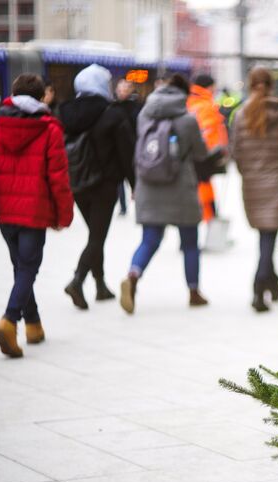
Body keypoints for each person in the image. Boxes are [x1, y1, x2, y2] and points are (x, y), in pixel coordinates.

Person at [0, 73, 74, 358]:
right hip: (34, 210)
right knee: (28, 268)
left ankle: (33, 325)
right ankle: (9, 321)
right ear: (40, 97)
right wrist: (64, 215)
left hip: (3, 209)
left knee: (20, 267)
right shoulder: (49, 128)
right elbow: (58, 177)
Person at [119, 73, 209, 314]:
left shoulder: (145, 114)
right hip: (181, 188)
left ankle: (133, 274)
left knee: (150, 239)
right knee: (190, 243)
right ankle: (193, 292)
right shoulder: (188, 120)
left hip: (149, 184)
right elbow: (201, 153)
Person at [59, 64, 136, 309]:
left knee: (95, 234)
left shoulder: (65, 112)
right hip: (104, 184)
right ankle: (77, 280)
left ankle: (100, 285)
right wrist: (134, 183)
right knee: (97, 236)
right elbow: (127, 153)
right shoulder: (112, 113)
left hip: (77, 183)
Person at [231, 67, 278, 312]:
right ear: (271, 86)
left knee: (265, 236)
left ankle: (274, 284)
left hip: (252, 183)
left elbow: (236, 153)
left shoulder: (241, 115)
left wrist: (247, 173)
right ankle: (259, 288)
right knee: (268, 237)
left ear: (250, 85)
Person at [187, 74, 229, 225]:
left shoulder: (193, 100)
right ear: (209, 86)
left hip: (197, 153)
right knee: (203, 185)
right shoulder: (204, 104)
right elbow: (206, 130)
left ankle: (208, 219)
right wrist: (217, 149)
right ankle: (208, 219)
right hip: (204, 154)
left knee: (202, 185)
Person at [113, 78, 142, 215]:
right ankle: (123, 206)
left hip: (134, 147)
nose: (122, 92)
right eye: (120, 89)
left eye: (125, 89)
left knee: (135, 176)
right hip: (118, 149)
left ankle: (137, 200)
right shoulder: (113, 107)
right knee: (119, 179)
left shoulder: (136, 107)